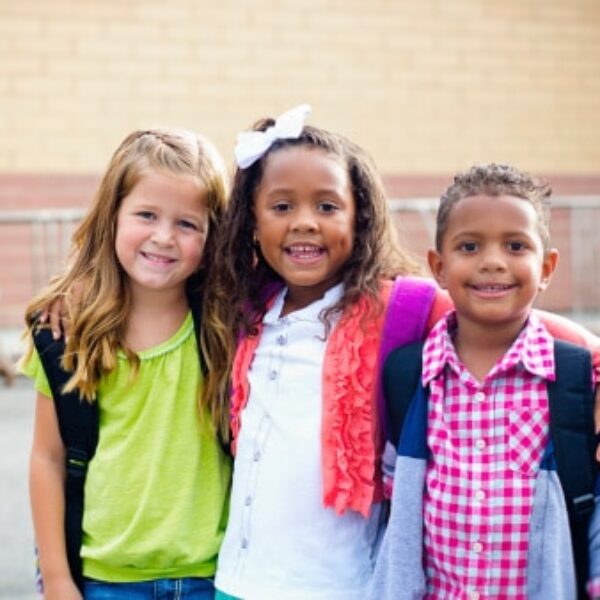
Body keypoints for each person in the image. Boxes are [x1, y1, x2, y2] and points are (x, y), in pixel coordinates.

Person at [209, 107, 600, 600]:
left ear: (361, 217)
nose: (305, 223)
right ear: (251, 220)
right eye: (282, 207)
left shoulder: (401, 305)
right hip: (238, 581)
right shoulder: (243, 311)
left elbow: (511, 318)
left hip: (343, 584)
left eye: (327, 207)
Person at [369, 163, 600, 599]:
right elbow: (395, 502)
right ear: (438, 266)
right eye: (470, 246)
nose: (493, 263)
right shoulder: (409, 375)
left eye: (515, 246)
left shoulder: (574, 377)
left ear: (547, 267)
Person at [21, 128, 232, 600]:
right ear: (112, 217)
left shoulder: (226, 325)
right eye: (146, 215)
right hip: (106, 581)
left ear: (213, 235)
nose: (163, 237)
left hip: (215, 578)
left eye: (187, 224)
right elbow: (47, 457)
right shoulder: (68, 332)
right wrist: (56, 579)